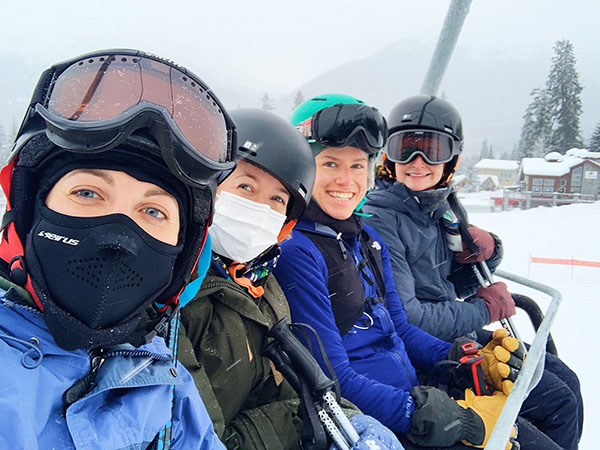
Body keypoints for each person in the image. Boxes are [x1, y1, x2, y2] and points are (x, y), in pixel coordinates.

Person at [0, 49, 234, 448]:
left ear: (183, 252)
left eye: (154, 211)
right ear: (29, 211)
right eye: (88, 192)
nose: (118, 235)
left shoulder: (168, 394)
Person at [274, 94, 526, 449]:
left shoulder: (366, 239)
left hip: (407, 394)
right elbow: (332, 378)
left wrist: (459, 356)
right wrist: (437, 418)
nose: (346, 180)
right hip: (370, 422)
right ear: (304, 167)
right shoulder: (298, 250)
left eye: (358, 165)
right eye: (330, 164)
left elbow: (401, 328)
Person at [363, 94, 583, 450]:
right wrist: (486, 308)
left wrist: (490, 251)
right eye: (404, 149)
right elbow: (411, 317)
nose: (417, 162)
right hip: (432, 351)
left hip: (459, 333)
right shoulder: (384, 217)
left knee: (564, 381)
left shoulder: (438, 205)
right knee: (558, 402)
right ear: (389, 155)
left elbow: (455, 283)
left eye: (432, 150)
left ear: (453, 158)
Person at [177, 108, 403, 450]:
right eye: (246, 186)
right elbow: (199, 438)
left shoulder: (263, 286)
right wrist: (304, 425)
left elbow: (301, 385)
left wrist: (351, 419)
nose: (259, 209)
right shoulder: (175, 293)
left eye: (277, 199)